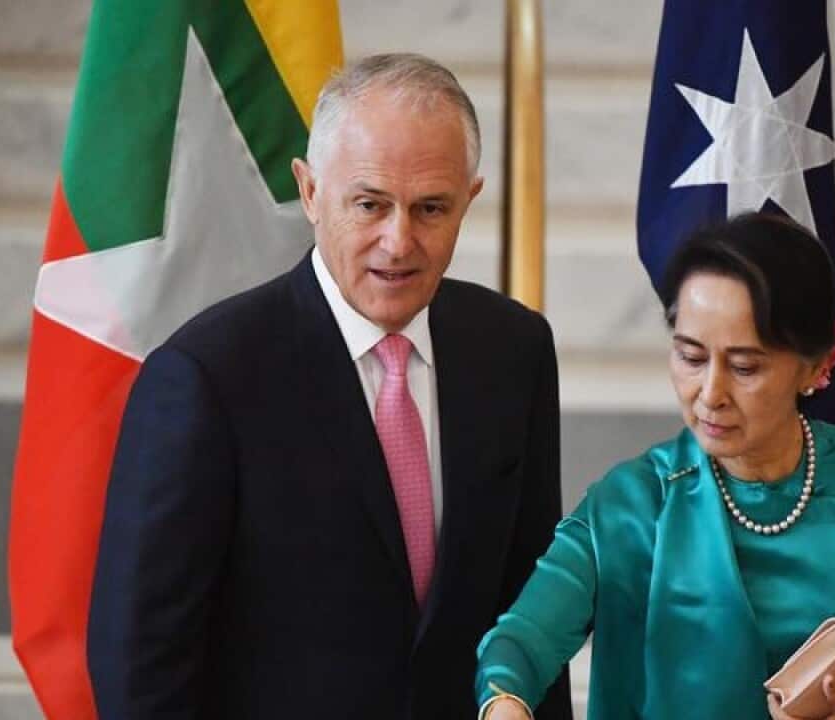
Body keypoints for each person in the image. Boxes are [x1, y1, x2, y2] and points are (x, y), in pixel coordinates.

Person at [87, 53, 572, 719]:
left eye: (431, 208)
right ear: (311, 191)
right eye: (370, 204)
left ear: (470, 198)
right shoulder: (207, 378)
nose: (398, 242)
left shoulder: (515, 351)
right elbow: (140, 667)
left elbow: (531, 619)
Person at [475, 212, 835, 720]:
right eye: (691, 357)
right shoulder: (633, 502)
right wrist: (505, 702)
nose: (711, 393)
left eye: (745, 367)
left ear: (818, 366)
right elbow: (524, 639)